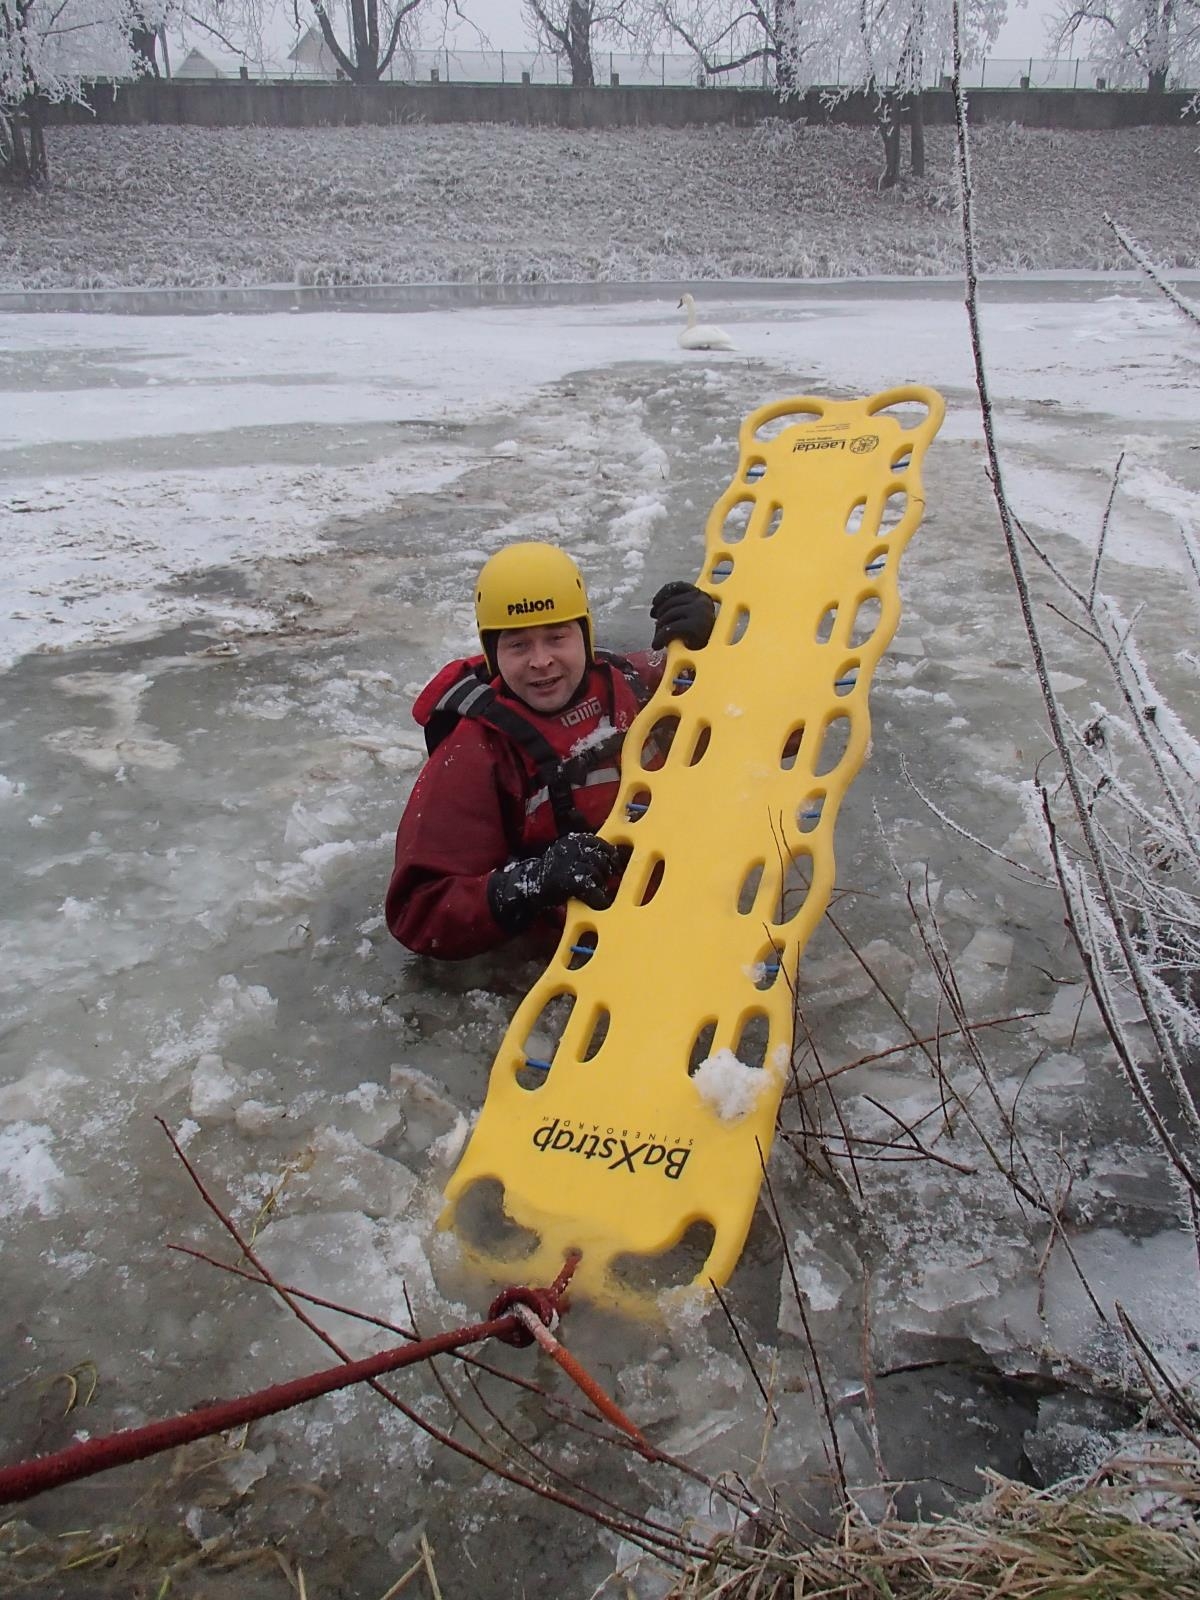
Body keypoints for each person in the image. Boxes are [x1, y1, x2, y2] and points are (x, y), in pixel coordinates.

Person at [386, 541, 716, 960]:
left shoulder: (637, 683)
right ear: (493, 654)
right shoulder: (475, 752)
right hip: (572, 951)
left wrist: (711, 650)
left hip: (676, 904)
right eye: (518, 646)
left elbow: (771, 735)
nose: (541, 661)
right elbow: (419, 911)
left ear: (585, 635)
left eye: (557, 637)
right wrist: (533, 882)